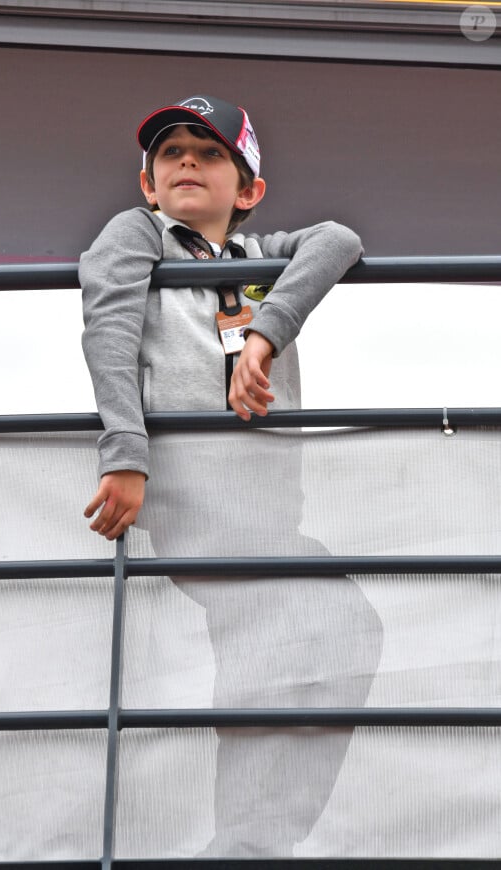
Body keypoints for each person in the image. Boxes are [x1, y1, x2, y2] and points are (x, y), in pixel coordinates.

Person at [80, 95, 383, 857]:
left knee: (313, 640)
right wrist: (125, 454)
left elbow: (338, 237)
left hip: (264, 515)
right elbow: (108, 328)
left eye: (211, 152)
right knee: (317, 629)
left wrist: (264, 338)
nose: (186, 160)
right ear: (147, 182)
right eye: (171, 152)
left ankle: (252, 840)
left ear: (247, 191)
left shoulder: (261, 259)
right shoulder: (138, 232)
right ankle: (252, 842)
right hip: (192, 497)